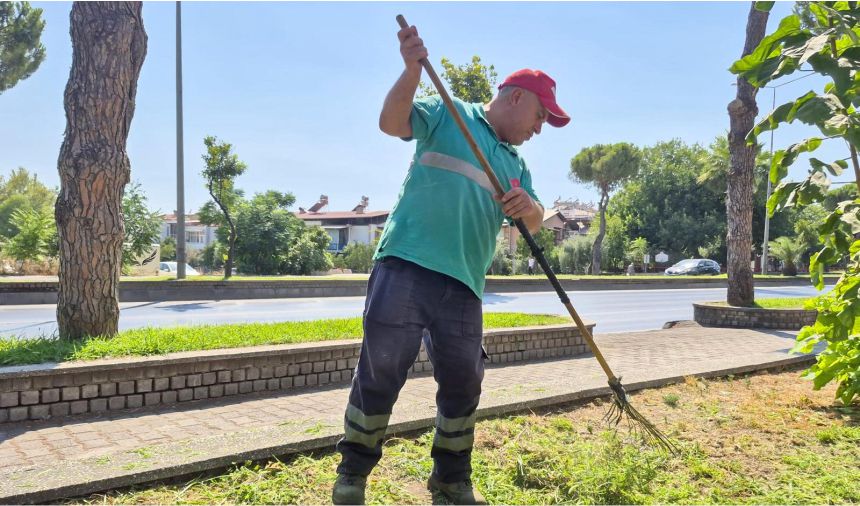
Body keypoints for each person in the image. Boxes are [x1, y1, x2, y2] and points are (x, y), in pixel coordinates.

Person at [332, 22, 570, 506]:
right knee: (381, 372)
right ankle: (352, 475)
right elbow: (391, 123)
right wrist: (411, 71)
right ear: (517, 98)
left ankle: (451, 478)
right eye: (540, 116)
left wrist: (531, 208)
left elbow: (536, 219)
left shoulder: (515, 164)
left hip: (464, 284)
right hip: (406, 265)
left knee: (464, 381)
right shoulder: (450, 114)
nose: (538, 129)